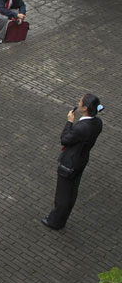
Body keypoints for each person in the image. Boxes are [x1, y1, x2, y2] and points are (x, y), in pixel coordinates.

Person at [42, 94, 104, 230]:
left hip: (70, 164)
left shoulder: (81, 128)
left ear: (85, 108)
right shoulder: (97, 123)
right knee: (72, 192)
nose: (78, 102)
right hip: (81, 161)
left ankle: (55, 221)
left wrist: (69, 122)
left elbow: (65, 139)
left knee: (63, 195)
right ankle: (62, 217)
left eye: (81, 102)